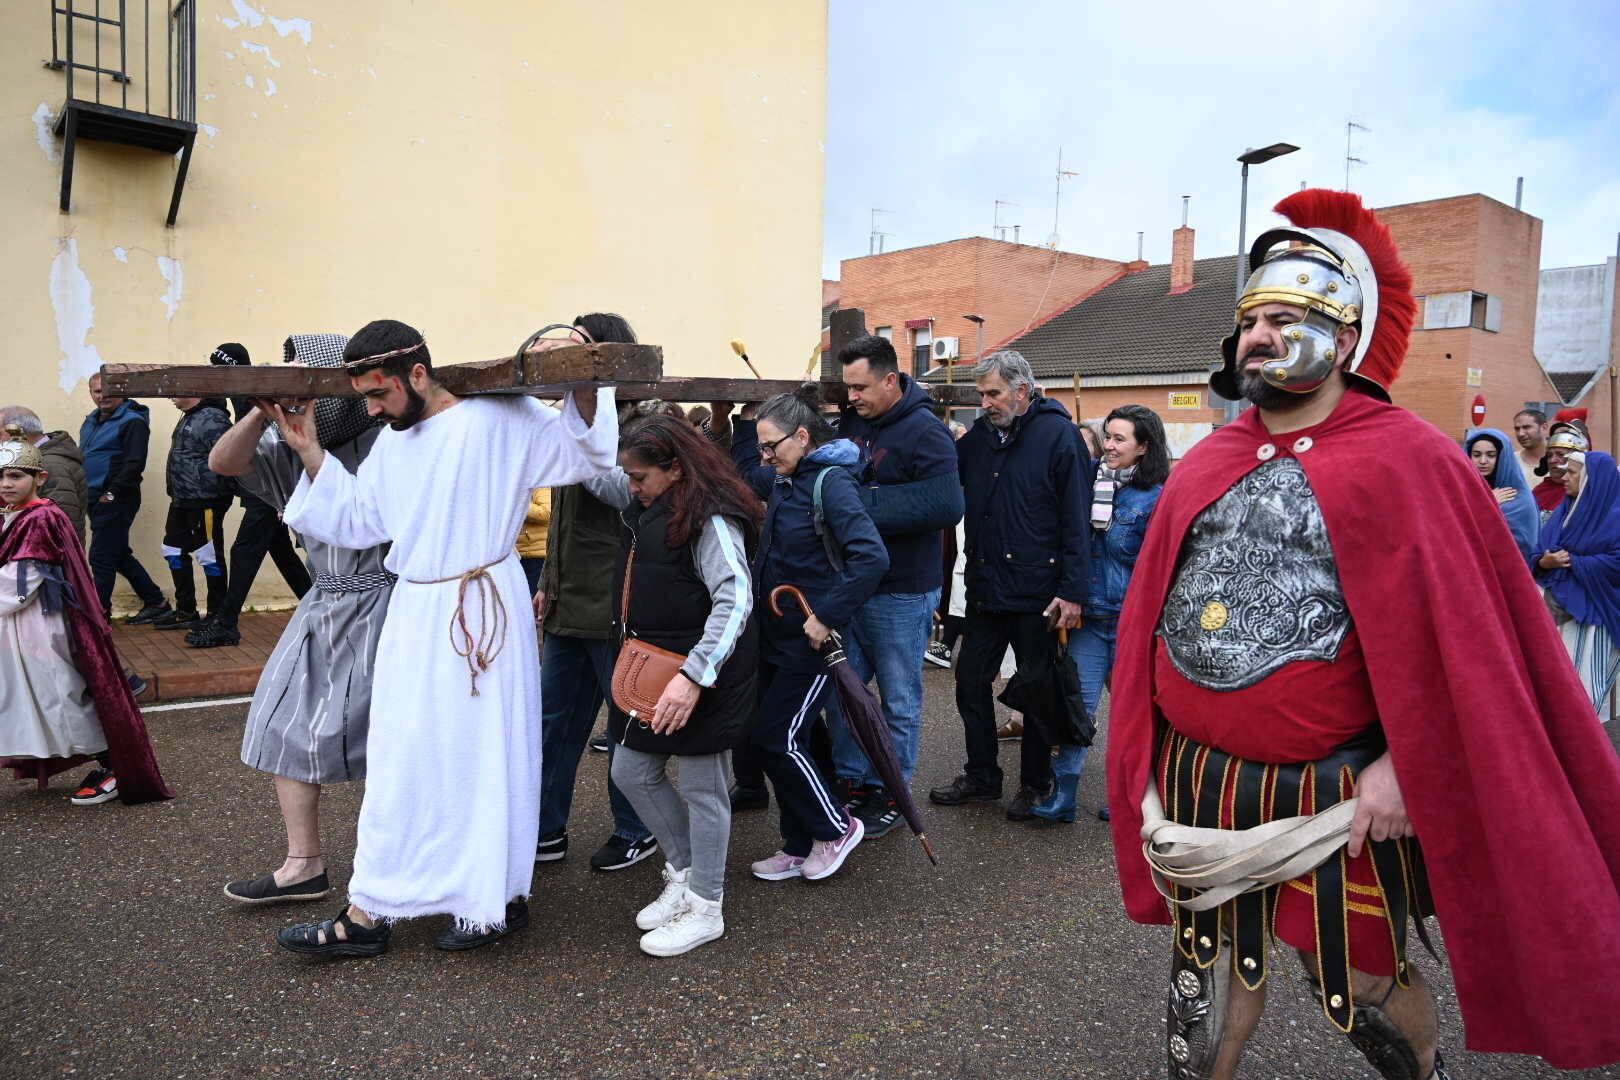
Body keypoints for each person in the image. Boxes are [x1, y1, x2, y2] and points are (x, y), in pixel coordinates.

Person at [1105, 189, 1620, 1078]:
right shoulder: (1214, 458)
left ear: (1344, 340)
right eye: (1250, 320)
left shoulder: (1410, 456)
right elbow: (1159, 607)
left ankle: (1424, 1073)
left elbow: (1466, 648)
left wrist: (1404, 764)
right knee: (1206, 959)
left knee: (1354, 979)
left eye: (1284, 318)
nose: (1257, 335)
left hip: (1335, 796)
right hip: (1195, 775)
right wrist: (1141, 738)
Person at [267, 318, 618, 959]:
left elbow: (586, 452)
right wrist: (311, 454)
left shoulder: (498, 419)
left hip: (482, 608)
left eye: (378, 395)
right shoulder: (393, 445)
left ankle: (491, 900)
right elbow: (358, 519)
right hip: (415, 617)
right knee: (405, 758)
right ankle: (373, 907)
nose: (371, 409)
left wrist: (583, 380)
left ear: (417, 374)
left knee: (485, 756)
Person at [209, 333, 391, 905]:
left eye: (302, 377)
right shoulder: (287, 442)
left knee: (393, 740)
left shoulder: (388, 439)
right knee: (283, 723)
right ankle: (303, 864)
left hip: (391, 604)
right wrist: (262, 411)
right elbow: (222, 462)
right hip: (326, 601)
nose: (295, 390)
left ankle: (391, 867)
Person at [584, 415, 760, 956]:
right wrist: (578, 407)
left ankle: (707, 907)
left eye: (638, 478)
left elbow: (736, 598)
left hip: (704, 674)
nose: (629, 487)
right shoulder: (648, 500)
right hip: (652, 668)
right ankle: (684, 874)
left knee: (706, 789)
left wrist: (693, 677)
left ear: (675, 469)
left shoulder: (711, 519)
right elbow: (592, 472)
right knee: (631, 769)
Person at [929, 350, 1090, 819]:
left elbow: (1076, 518)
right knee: (969, 682)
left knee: (1036, 691)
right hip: (986, 589)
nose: (986, 403)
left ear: (1022, 390)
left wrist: (1074, 591)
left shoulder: (1058, 436)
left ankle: (1036, 783)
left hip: (1040, 592)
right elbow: (942, 483)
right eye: (981, 394)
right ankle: (983, 776)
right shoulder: (978, 439)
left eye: (993, 393)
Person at [742, 386, 888, 883]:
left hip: (813, 641)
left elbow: (871, 559)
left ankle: (835, 828)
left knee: (776, 737)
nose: (764, 457)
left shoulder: (832, 484)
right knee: (786, 737)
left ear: (801, 437)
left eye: (771, 446)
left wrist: (825, 614)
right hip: (775, 637)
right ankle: (799, 842)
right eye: (759, 447)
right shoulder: (785, 480)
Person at [533, 315, 659, 873]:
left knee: (625, 724)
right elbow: (562, 522)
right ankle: (544, 828)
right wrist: (546, 583)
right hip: (568, 604)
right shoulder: (569, 419)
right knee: (553, 725)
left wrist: (581, 449)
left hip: (617, 604)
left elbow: (628, 496)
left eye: (582, 352)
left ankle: (635, 830)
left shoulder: (644, 424)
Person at [830, 335, 963, 837]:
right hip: (854, 586)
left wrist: (859, 505)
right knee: (843, 692)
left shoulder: (926, 432)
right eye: (847, 388)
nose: (852, 397)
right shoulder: (855, 422)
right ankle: (851, 781)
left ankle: (892, 789)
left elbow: (946, 506)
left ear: (891, 380)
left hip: (903, 591)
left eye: (860, 387)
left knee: (898, 699)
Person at [0, 437, 172, 805]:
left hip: (37, 627)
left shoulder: (41, 517)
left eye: (15, 476)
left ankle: (112, 765)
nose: (5, 484)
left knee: (59, 697)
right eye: (0, 477)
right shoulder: (15, 514)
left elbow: (22, 582)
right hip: (19, 626)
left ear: (40, 477)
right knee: (37, 697)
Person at [1032, 404, 1167, 825]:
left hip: (1132, 625)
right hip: (1089, 621)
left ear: (1144, 447)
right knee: (1077, 710)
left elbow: (1162, 565)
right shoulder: (1089, 483)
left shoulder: (1158, 496)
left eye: (1119, 439)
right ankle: (1063, 795)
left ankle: (1135, 797)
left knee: (1135, 716)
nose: (1108, 446)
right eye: (1107, 436)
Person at [189, 341, 313, 649]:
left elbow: (268, 445)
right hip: (265, 492)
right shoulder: (239, 395)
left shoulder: (248, 395)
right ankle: (315, 608)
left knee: (243, 553)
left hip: (268, 494)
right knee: (284, 557)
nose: (217, 372)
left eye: (220, 366)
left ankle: (227, 623)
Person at [1535, 449, 1620, 720]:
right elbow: (1539, 552)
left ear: (1590, 480)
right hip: (1560, 614)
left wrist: (1575, 561)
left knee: (1586, 693)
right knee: (1559, 690)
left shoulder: (1614, 516)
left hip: (1597, 617)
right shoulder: (1565, 511)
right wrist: (1545, 562)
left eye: (1572, 473)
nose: (1565, 478)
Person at [80, 373, 169, 622]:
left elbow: (133, 464)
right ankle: (156, 602)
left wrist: (111, 494)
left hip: (116, 498)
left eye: (107, 390)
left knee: (101, 556)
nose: (102, 396)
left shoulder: (132, 421)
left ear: (121, 391)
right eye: (96, 391)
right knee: (117, 554)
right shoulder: (91, 420)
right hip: (94, 496)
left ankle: (98, 616)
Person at [153, 396, 233, 630]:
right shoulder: (188, 416)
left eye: (175, 390)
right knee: (172, 550)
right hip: (181, 499)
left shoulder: (213, 418)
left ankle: (217, 613)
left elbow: (228, 459)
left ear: (192, 391)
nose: (170, 396)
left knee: (209, 555)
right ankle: (186, 610)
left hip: (205, 501)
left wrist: (212, 489)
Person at [0, 406, 88, 542]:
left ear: (18, 432)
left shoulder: (51, 464)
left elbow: (61, 524)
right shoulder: (36, 458)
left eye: (0, 434)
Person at [1464, 427, 1537, 563]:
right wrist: (1487, 502)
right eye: (1476, 454)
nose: (1483, 461)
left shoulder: (1518, 497)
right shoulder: (1462, 489)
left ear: (1503, 457)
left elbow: (1521, 544)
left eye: (1491, 455)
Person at [1532, 408, 1588, 515]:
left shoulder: (1588, 491)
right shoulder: (1540, 491)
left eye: (1561, 455)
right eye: (1549, 455)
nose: (1552, 460)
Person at [517, 486, 551, 596]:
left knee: (532, 599)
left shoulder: (541, 486)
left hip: (537, 556)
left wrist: (518, 505)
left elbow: (546, 513)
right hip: (520, 554)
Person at [1512, 407, 1547, 479]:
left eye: (1526, 427)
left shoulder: (1561, 460)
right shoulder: (1511, 462)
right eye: (1517, 429)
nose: (1521, 434)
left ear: (1544, 427)